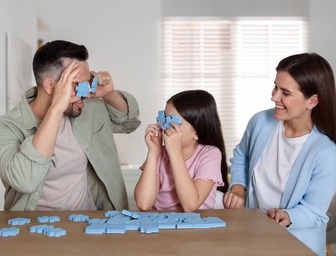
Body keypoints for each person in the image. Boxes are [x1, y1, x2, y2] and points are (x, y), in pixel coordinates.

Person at [0, 40, 141, 211]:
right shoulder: (3, 128)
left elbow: (128, 123)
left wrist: (109, 94)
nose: (86, 92)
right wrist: (56, 109)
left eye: (87, 83)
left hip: (90, 224)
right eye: (76, 85)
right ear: (50, 85)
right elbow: (25, 181)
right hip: (33, 229)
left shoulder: (88, 108)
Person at [223, 53, 336, 255]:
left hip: (298, 247)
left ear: (312, 101)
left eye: (285, 92)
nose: (274, 97)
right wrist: (238, 188)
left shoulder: (326, 152)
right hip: (253, 238)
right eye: (275, 87)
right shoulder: (260, 122)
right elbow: (242, 155)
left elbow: (314, 212)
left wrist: (287, 215)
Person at [134, 90, 229, 212]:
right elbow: (143, 203)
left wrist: (174, 153)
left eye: (173, 123)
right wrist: (153, 152)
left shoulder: (210, 154)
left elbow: (190, 205)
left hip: (198, 223)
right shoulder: (159, 152)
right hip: (162, 224)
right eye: (164, 119)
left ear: (197, 133)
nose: (164, 127)